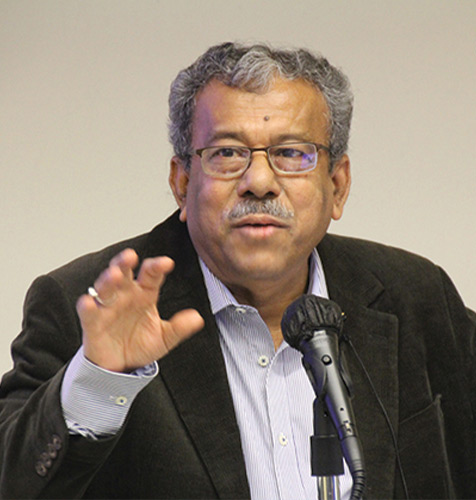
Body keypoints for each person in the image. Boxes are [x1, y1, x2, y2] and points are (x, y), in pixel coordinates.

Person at [0, 42, 474, 500]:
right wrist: (99, 380)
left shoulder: (415, 296)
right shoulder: (90, 310)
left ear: (337, 185)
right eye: (227, 153)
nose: (260, 182)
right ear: (182, 183)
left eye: (292, 153)